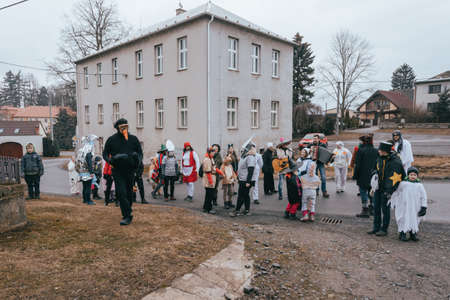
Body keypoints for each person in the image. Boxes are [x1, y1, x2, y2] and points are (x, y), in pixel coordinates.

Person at [103, 118, 143, 226]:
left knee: (129, 193)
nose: (124, 129)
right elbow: (105, 154)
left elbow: (140, 153)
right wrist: (111, 160)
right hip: (118, 171)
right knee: (121, 193)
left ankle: (128, 210)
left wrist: (137, 160)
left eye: (126, 126)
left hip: (130, 170)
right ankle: (127, 215)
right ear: (117, 128)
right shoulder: (112, 139)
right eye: (122, 127)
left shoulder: (133, 139)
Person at [367, 141, 405, 236]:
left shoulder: (395, 161)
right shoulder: (380, 158)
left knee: (385, 210)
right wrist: (374, 174)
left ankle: (384, 229)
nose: (378, 151)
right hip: (378, 188)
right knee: (376, 208)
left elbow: (395, 178)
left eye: (380, 150)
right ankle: (376, 227)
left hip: (387, 190)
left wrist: (389, 191)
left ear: (385, 151)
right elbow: (375, 168)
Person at [389, 167, 427, 242]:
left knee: (414, 219)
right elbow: (397, 192)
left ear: (417, 176)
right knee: (403, 218)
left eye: (414, 175)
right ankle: (402, 233)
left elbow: (424, 196)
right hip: (404, 206)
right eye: (411, 175)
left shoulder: (419, 185)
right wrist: (393, 200)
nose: (413, 176)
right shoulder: (403, 184)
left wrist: (424, 206)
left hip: (415, 207)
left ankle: (413, 233)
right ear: (408, 175)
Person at [230, 142, 257, 217]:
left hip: (247, 180)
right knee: (245, 195)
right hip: (243, 179)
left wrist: (248, 181)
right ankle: (247, 210)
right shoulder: (245, 156)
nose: (243, 149)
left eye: (245, 148)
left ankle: (237, 210)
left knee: (241, 195)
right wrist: (238, 177)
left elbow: (251, 170)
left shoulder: (250, 157)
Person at [353, 135, 378, 218]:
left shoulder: (361, 151)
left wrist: (355, 175)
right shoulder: (376, 151)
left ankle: (365, 209)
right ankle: (372, 208)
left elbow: (358, 165)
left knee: (363, 191)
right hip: (373, 175)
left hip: (362, 175)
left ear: (364, 142)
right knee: (372, 191)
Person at [77, 135, 97, 205]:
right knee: (88, 187)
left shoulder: (81, 151)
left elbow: (78, 162)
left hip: (82, 172)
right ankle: (88, 200)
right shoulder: (88, 153)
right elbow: (89, 163)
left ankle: (85, 199)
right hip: (87, 172)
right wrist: (92, 172)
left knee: (85, 186)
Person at [202, 147, 222, 214]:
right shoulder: (207, 160)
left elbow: (214, 168)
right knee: (209, 194)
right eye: (213, 152)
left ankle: (206, 207)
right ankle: (208, 208)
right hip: (208, 178)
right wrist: (210, 182)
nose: (214, 153)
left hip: (212, 177)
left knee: (209, 194)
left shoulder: (211, 159)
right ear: (210, 152)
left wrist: (221, 173)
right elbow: (208, 172)